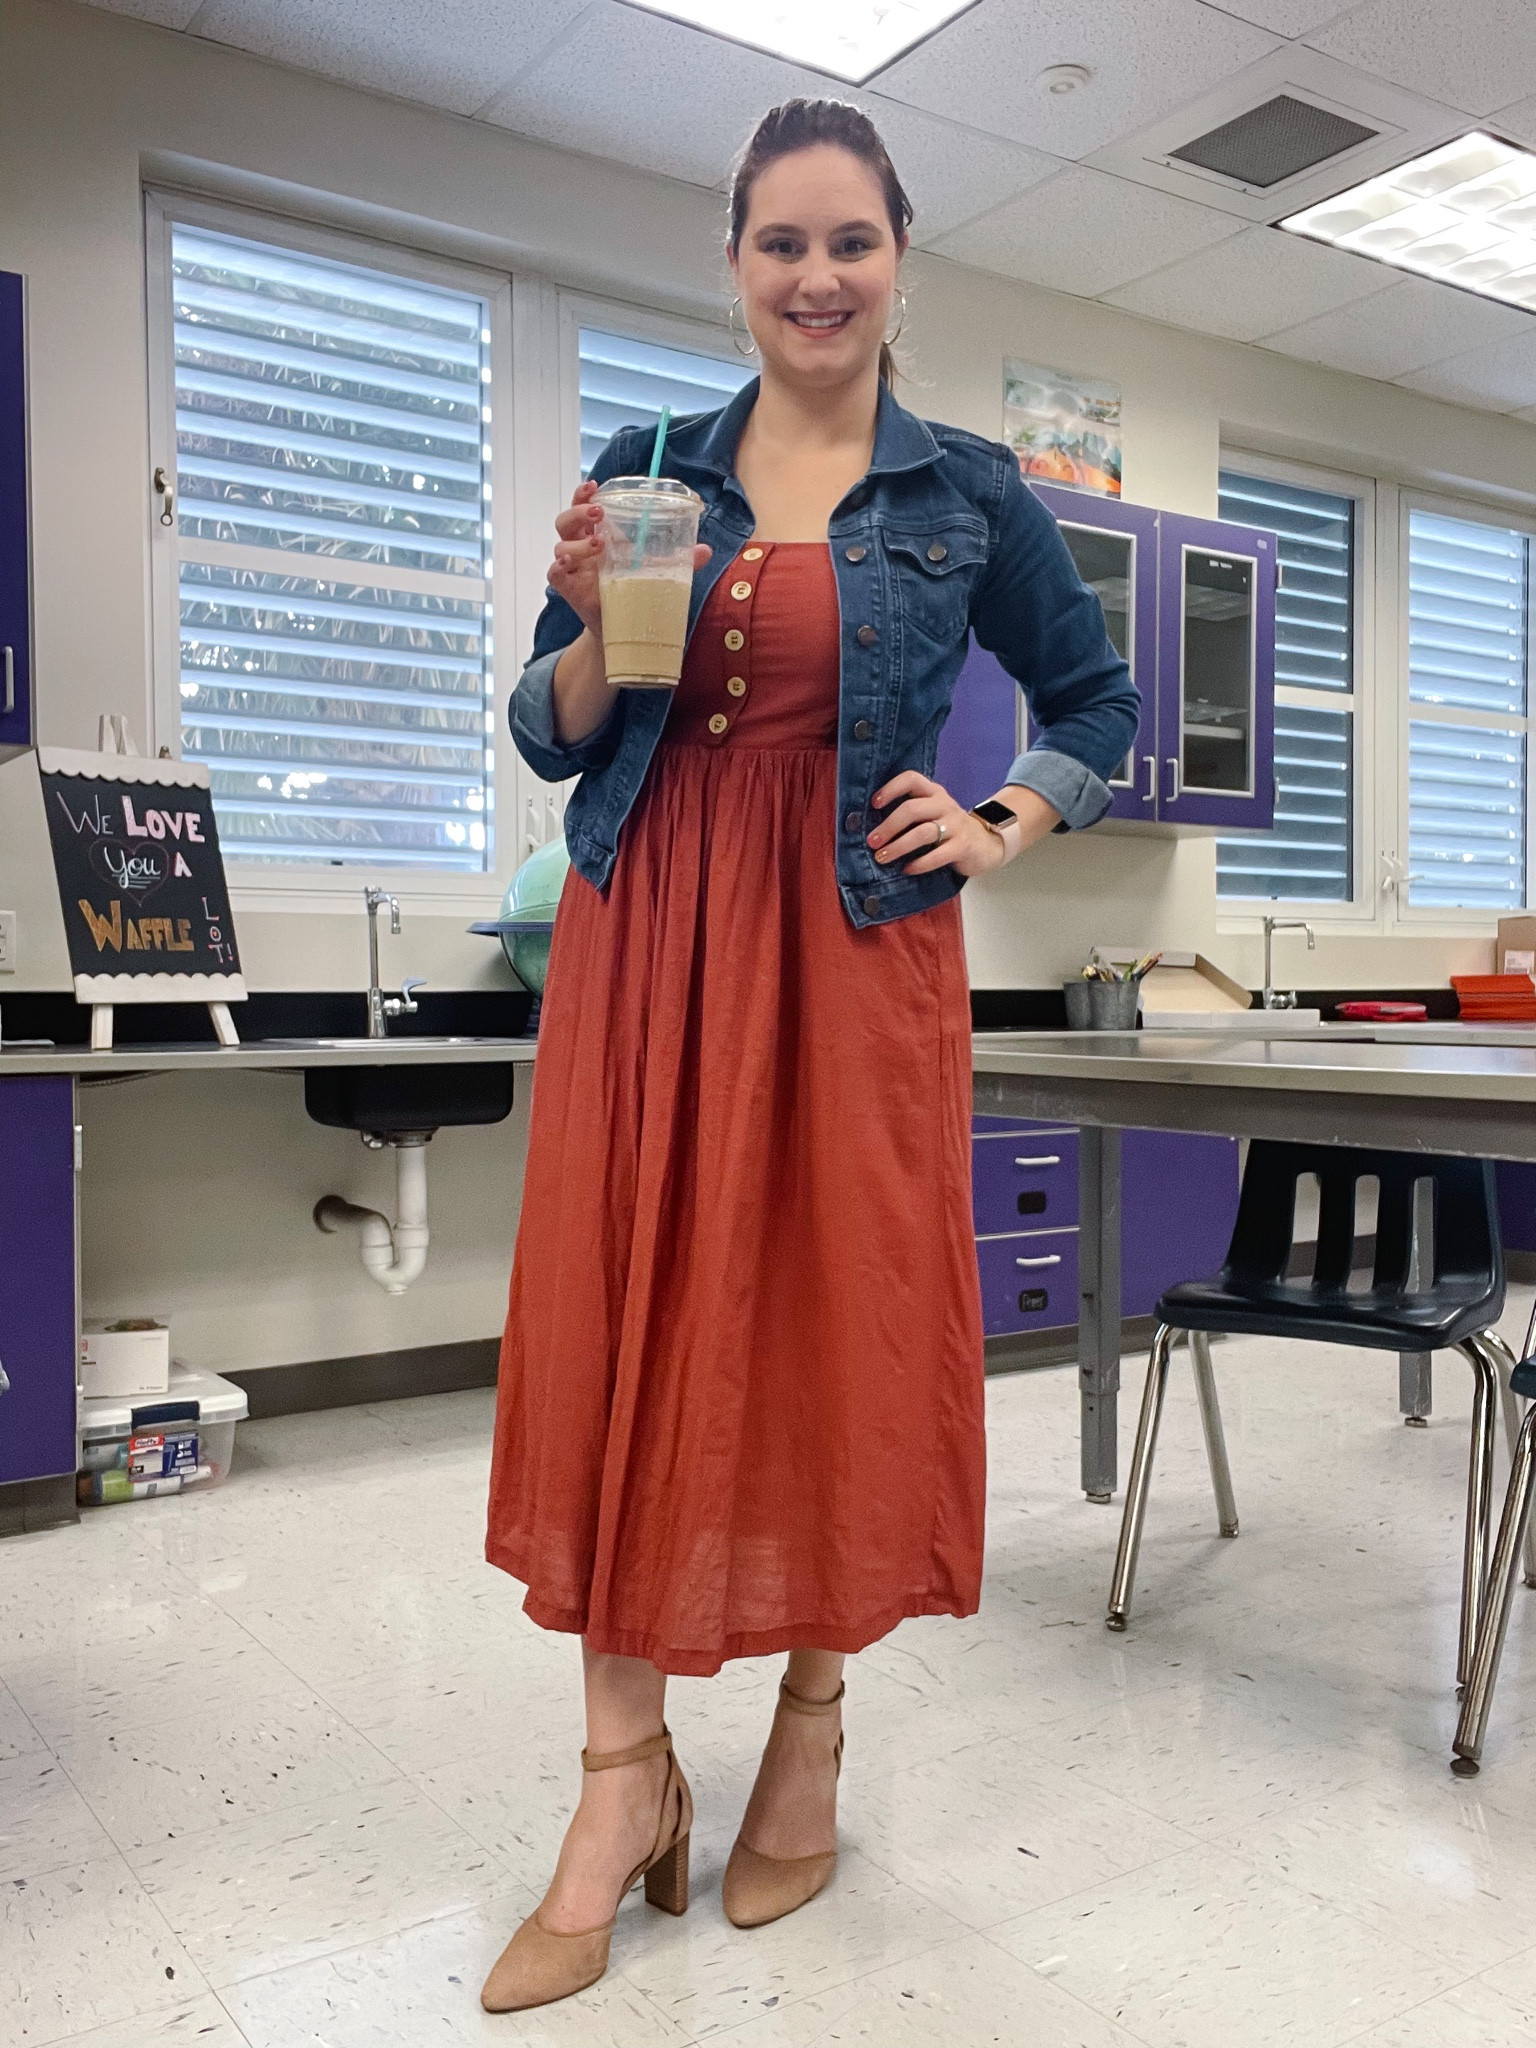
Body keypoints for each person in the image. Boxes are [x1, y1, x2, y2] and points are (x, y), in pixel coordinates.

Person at [481, 97, 1138, 2013]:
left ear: (899, 261)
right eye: (782, 241)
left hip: (852, 949)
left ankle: (809, 1728)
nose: (817, 275)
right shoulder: (649, 464)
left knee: (830, 1320)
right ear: (737, 267)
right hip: (646, 932)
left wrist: (1004, 818)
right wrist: (589, 626)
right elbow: (550, 725)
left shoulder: (970, 492)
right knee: (627, 1318)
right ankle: (621, 1780)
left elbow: (1096, 701)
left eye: (851, 240)